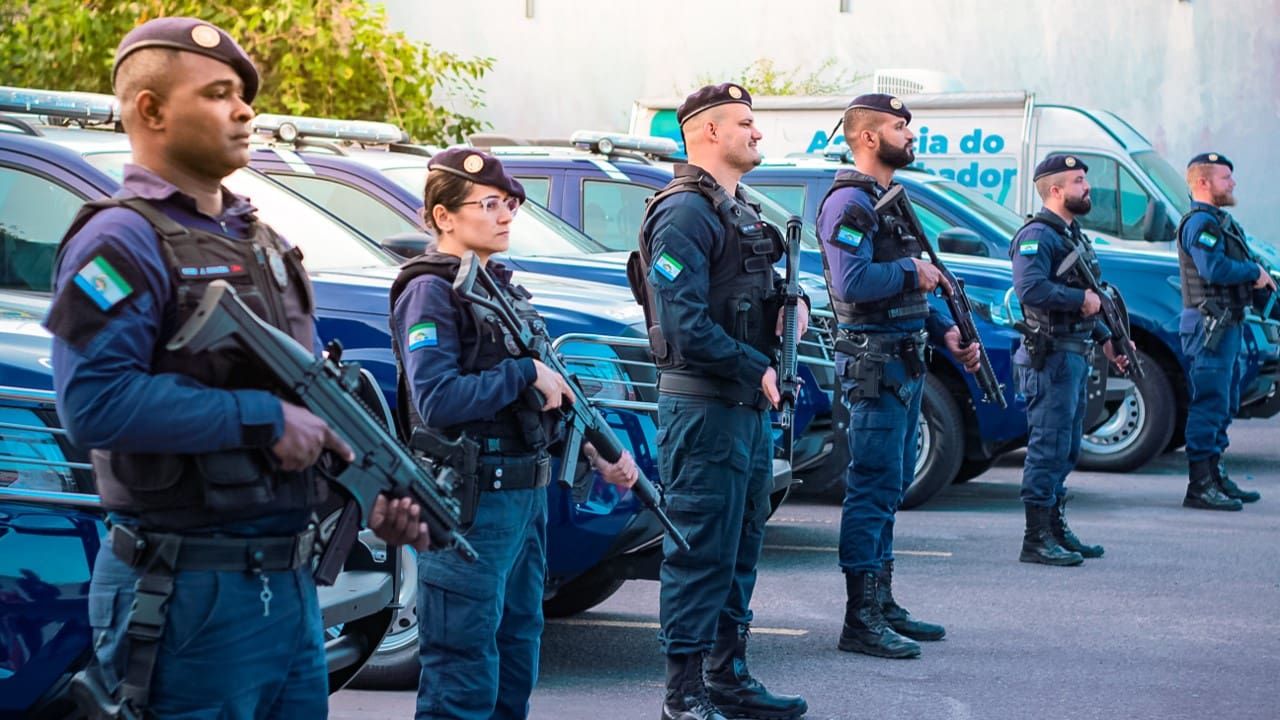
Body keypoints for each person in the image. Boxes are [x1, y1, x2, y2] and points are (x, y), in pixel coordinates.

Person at [44, 17, 427, 718]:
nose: (244, 110)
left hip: (288, 589)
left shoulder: (264, 243)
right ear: (151, 110)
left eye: (243, 95)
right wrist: (261, 419)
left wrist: (367, 493)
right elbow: (94, 403)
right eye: (218, 94)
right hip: (186, 591)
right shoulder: (120, 241)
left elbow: (309, 404)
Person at [389, 147, 638, 720]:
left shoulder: (496, 287)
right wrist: (522, 373)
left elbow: (549, 394)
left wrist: (597, 451)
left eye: (511, 205)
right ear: (444, 216)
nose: (505, 216)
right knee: (463, 670)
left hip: (524, 498)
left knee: (516, 655)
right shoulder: (431, 290)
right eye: (490, 204)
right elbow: (437, 401)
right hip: (471, 501)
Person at [633, 83, 809, 720]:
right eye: (745, 123)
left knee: (739, 549)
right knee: (700, 550)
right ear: (709, 131)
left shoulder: (738, 210)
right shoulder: (683, 213)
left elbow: (755, 292)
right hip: (705, 410)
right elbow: (683, 325)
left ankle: (727, 679)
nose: (757, 133)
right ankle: (683, 696)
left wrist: (793, 307)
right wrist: (755, 366)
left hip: (743, 411)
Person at [815, 94, 980, 659]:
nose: (911, 135)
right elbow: (853, 283)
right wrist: (913, 269)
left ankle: (882, 603)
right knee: (871, 487)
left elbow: (907, 293)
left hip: (904, 362)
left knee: (890, 485)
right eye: (899, 126)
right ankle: (859, 618)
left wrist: (945, 330)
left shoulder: (887, 200)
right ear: (867, 137)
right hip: (876, 366)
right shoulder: (849, 203)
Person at [1009, 154, 1129, 566]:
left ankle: (1055, 528)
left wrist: (1108, 340)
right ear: (1056, 190)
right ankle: (1036, 538)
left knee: (1066, 447)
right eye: (1078, 181)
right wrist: (1080, 300)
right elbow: (1029, 289)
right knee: (1048, 447)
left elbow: (1094, 299)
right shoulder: (1037, 236)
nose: (1087, 187)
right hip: (1051, 358)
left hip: (1075, 353)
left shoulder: (1072, 235)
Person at [1177, 152, 1272, 510]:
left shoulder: (1221, 222)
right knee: (1209, 403)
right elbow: (1212, 268)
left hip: (1227, 324)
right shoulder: (1200, 223)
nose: (1232, 183)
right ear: (1203, 183)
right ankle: (1200, 485)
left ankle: (1214, 475)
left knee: (1225, 403)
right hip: (1209, 327)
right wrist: (1252, 272)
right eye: (1225, 177)